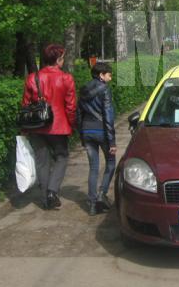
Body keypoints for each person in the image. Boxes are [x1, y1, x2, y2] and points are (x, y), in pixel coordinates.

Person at [21, 44, 76, 210]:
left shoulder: (32, 77)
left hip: (37, 125)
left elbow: (25, 104)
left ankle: (45, 200)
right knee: (62, 157)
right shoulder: (66, 78)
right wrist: (71, 125)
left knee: (42, 162)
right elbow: (71, 107)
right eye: (62, 57)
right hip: (58, 126)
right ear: (58, 59)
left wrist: (25, 127)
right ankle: (52, 191)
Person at [77, 62, 116, 216]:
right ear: (101, 75)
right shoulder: (105, 90)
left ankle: (92, 204)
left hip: (87, 131)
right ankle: (102, 194)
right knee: (111, 163)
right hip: (101, 131)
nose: (110, 78)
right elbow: (108, 115)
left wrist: (82, 135)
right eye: (109, 75)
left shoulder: (83, 89)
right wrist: (112, 141)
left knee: (93, 167)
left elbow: (78, 114)